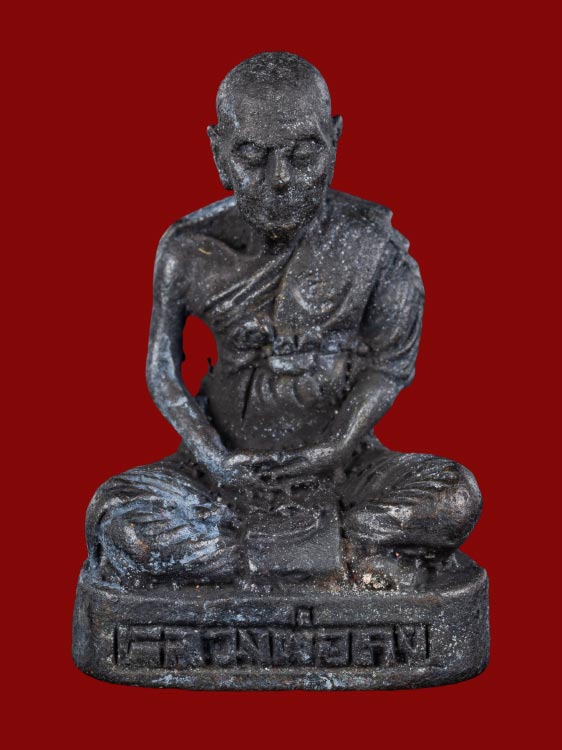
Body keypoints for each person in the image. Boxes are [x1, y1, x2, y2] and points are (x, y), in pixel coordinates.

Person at [85, 52, 481, 588]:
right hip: (219, 476)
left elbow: (389, 364)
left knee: (453, 495)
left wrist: (337, 445)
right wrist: (212, 457)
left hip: (344, 470)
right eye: (253, 156)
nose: (280, 179)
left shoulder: (369, 244)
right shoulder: (189, 251)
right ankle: (348, 556)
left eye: (303, 153)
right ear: (219, 153)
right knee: (117, 514)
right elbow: (162, 369)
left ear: (334, 142)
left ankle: (245, 557)